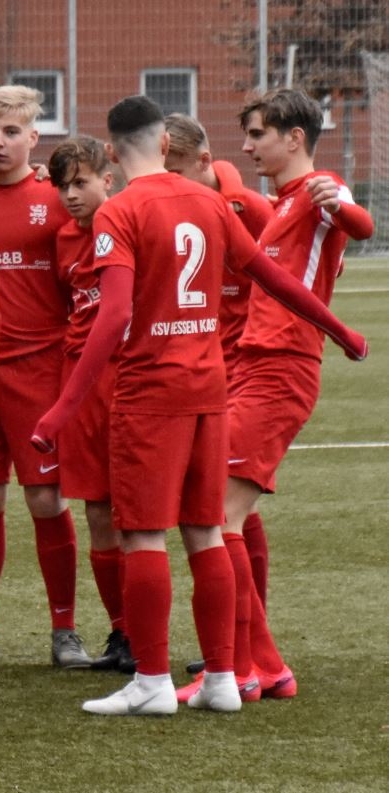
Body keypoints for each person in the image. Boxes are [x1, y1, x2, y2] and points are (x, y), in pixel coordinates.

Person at [32, 95, 366, 717]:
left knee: (143, 535)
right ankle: (222, 678)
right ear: (166, 144)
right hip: (212, 385)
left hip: (150, 391)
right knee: (207, 530)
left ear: (112, 155)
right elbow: (272, 276)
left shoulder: (120, 210)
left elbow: (115, 314)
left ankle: (152, 681)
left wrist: (61, 410)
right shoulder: (210, 202)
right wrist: (340, 330)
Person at [178, 88, 376, 706]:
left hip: (281, 369)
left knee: (215, 518)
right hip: (253, 365)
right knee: (220, 514)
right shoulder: (281, 203)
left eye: (258, 133)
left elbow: (359, 221)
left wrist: (341, 205)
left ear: (294, 138)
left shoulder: (318, 189)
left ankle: (241, 668)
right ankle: (264, 667)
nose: (247, 145)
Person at [0, 85, 89, 669]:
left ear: (34, 138)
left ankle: (65, 630)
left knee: (44, 499)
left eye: (11, 132)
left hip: (42, 373)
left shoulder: (56, 200)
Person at [162, 112, 275, 615]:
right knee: (219, 505)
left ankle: (250, 624)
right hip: (194, 374)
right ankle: (242, 625)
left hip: (242, 375)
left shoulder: (250, 210)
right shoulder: (167, 208)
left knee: (227, 506)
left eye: (176, 172)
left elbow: (294, 277)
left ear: (204, 161)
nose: (169, 183)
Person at [45, 136, 132, 673]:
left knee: (139, 515)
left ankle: (145, 633)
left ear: (109, 179)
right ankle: (123, 633)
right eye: (62, 186)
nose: (70, 194)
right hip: (80, 384)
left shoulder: (129, 222)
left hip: (130, 377)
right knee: (97, 510)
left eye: (80, 183)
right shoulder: (62, 237)